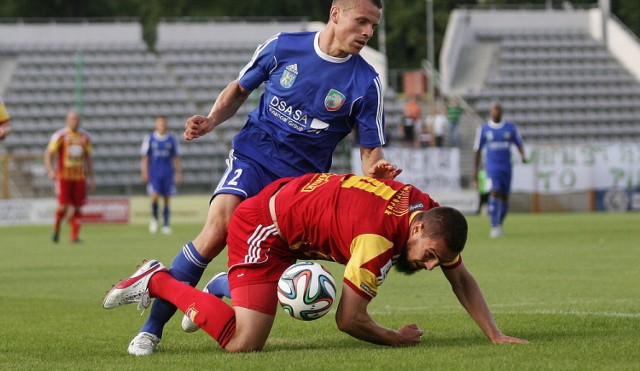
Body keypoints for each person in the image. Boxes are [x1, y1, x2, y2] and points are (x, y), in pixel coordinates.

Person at [126, 0, 402, 355]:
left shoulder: (365, 83)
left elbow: (369, 150)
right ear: (336, 14)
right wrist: (211, 120)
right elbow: (240, 89)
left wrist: (375, 171)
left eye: (374, 26)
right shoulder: (284, 46)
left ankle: (223, 286)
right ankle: (151, 330)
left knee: (274, 269)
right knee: (218, 229)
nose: (368, 32)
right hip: (254, 158)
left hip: (299, 187)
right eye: (362, 21)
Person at [103, 172, 528, 352]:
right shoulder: (377, 243)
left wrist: (494, 334)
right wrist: (397, 339)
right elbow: (350, 320)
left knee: (280, 303)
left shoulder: (426, 209)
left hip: (296, 216)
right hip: (264, 229)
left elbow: (461, 277)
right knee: (244, 343)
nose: (432, 266)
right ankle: (157, 279)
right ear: (417, 231)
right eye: (431, 256)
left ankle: (222, 287)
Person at [473, 102, 526, 238]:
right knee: (494, 191)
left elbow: (519, 143)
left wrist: (523, 156)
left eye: (498, 110)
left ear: (501, 112)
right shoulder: (484, 129)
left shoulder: (510, 128)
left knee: (504, 196)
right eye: (493, 110)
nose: (495, 112)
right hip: (491, 166)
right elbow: (477, 150)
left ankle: (499, 223)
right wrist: (475, 170)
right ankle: (494, 225)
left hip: (506, 166)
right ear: (490, 112)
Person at [44, 110, 95, 243]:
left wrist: (91, 178)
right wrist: (50, 170)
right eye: (72, 119)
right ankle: (56, 229)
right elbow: (48, 153)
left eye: (77, 119)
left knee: (78, 206)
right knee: (63, 206)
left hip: (79, 177)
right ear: (67, 120)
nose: (75, 121)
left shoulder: (85, 137)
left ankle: (74, 236)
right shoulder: (60, 135)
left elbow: (88, 158)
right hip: (64, 177)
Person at [140, 116, 183, 235]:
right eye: (159, 123)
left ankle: (165, 224)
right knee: (154, 196)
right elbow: (145, 157)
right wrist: (144, 171)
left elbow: (176, 157)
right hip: (154, 173)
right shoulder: (150, 138)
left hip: (168, 173)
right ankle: (154, 219)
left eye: (163, 123)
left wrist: (179, 173)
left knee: (166, 198)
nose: (162, 125)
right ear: (156, 125)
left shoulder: (171, 139)